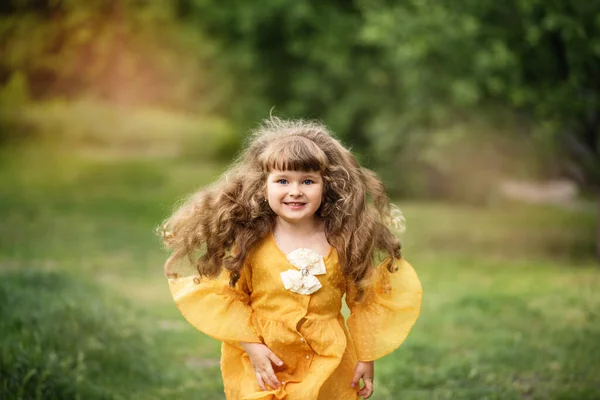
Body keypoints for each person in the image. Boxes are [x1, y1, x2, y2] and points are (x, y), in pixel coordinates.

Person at [161, 117, 422, 400]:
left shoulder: (344, 240)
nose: (295, 191)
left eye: (308, 181)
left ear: (327, 186)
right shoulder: (251, 242)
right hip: (265, 360)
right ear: (264, 186)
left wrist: (365, 357)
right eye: (283, 180)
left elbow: (364, 299)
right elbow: (229, 297)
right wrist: (251, 347)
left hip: (327, 360)